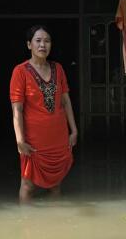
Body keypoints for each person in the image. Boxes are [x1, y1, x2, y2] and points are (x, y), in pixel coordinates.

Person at [9, 25, 78, 203]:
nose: (42, 45)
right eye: (38, 41)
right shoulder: (20, 71)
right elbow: (17, 109)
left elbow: (65, 101)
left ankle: (54, 226)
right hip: (33, 140)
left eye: (46, 41)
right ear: (29, 45)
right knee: (27, 185)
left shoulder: (58, 68)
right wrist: (20, 140)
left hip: (58, 137)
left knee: (56, 184)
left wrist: (74, 130)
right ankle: (25, 226)